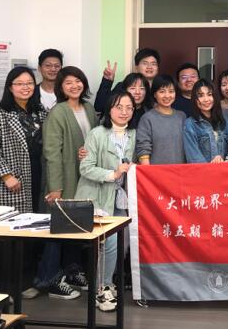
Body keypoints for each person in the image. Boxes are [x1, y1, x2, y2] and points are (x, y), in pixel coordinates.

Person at [41, 65, 98, 299]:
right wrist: (55, 187)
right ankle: (49, 280)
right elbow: (52, 152)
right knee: (58, 230)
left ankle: (72, 271)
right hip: (65, 178)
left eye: (78, 81)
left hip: (84, 177)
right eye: (68, 83)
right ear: (61, 87)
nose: (74, 86)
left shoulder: (89, 108)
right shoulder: (58, 112)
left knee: (76, 227)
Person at [76, 92, 136, 312]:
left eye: (129, 108)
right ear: (109, 109)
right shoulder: (97, 134)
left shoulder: (134, 134)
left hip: (121, 199)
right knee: (109, 244)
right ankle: (102, 289)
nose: (124, 112)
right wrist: (113, 173)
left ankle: (106, 283)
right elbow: (85, 167)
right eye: (119, 107)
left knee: (123, 243)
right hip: (99, 197)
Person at [0, 66, 47, 214]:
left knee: (36, 216)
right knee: (11, 220)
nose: (26, 87)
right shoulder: (1, 113)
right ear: (10, 88)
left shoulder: (39, 110)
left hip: (37, 170)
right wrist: (6, 176)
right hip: (13, 176)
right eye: (19, 84)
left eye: (30, 83)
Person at [136, 75, 186, 165]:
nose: (167, 96)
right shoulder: (147, 118)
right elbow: (143, 148)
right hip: (156, 171)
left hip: (180, 170)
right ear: (155, 94)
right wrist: (148, 171)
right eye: (162, 92)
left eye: (171, 91)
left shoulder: (181, 116)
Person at [94, 47, 160, 113]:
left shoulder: (161, 89)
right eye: (145, 63)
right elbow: (99, 107)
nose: (149, 67)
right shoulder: (123, 86)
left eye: (153, 64)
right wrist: (107, 81)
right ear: (136, 67)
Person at [184, 79, 228, 163]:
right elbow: (193, 157)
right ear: (195, 99)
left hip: (224, 169)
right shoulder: (190, 124)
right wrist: (210, 168)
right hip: (203, 171)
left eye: (209, 94)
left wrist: (225, 162)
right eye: (201, 95)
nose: (206, 99)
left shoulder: (224, 119)